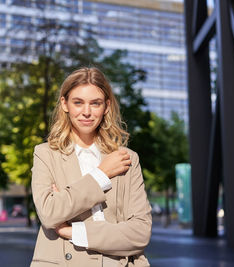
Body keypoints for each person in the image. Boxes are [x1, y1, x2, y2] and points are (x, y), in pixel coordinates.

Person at [30, 67, 152, 266]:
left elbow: (140, 233)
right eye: (78, 102)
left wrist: (72, 231)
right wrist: (101, 174)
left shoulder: (127, 158)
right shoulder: (46, 154)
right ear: (65, 104)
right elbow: (50, 213)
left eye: (95, 103)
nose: (86, 112)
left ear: (106, 106)